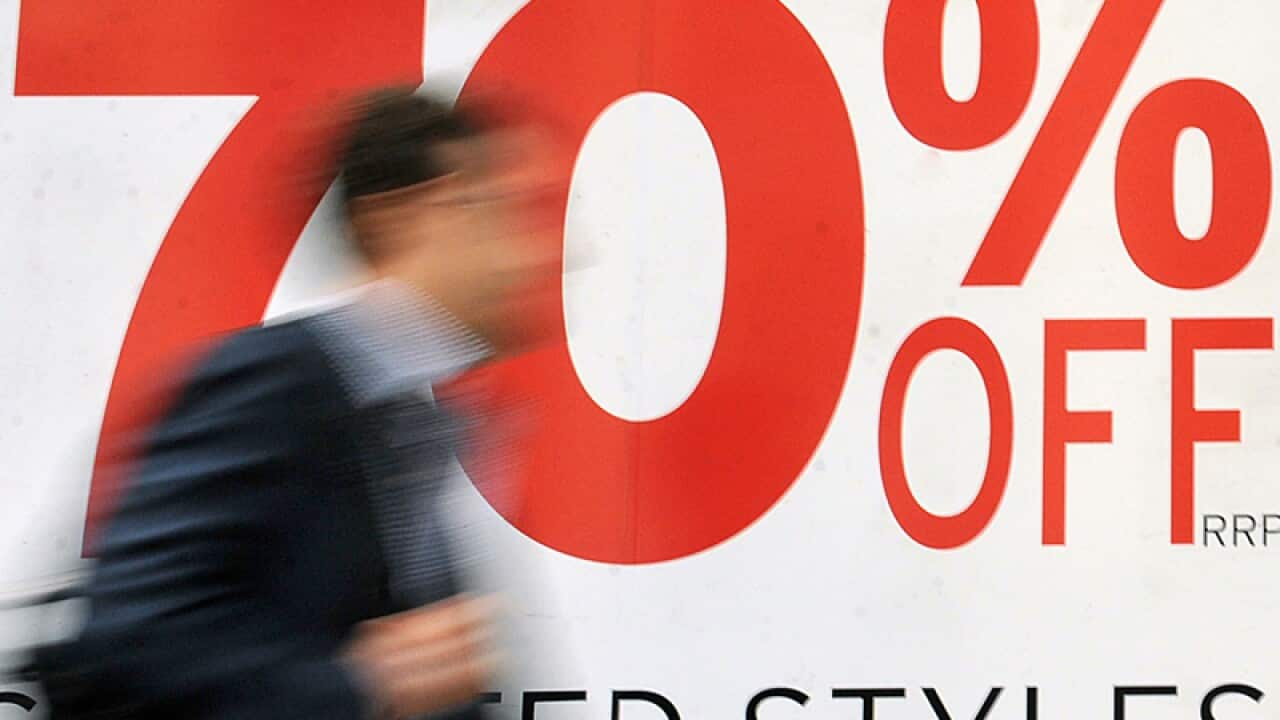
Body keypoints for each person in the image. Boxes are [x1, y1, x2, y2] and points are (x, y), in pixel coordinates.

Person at [34, 89, 560, 719]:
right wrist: (365, 683)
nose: (543, 254)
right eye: (510, 211)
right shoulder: (274, 384)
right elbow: (125, 645)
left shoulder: (414, 421)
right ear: (420, 212)